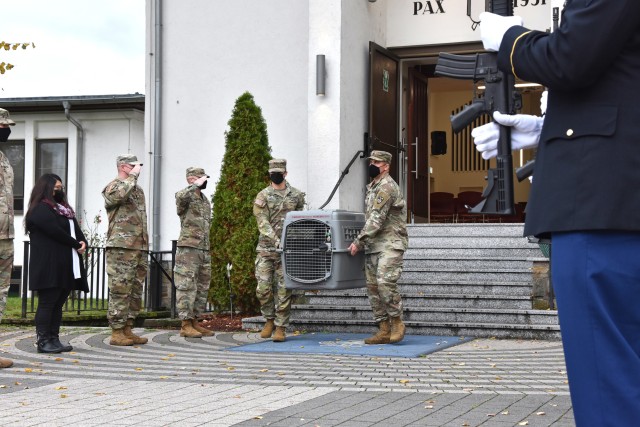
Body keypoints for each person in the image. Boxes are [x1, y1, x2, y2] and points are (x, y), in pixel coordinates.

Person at [472, 5, 640, 425]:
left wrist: (511, 38)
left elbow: (572, 59)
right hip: (616, 195)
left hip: (600, 204)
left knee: (607, 383)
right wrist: (549, 128)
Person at [348, 150, 408, 344]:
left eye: (376, 162)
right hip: (374, 245)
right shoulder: (373, 186)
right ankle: (383, 328)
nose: (372, 164)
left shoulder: (387, 187)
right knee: (373, 289)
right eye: (371, 161)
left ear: (386, 166)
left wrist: (358, 241)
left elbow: (376, 219)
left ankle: (397, 322)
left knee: (385, 283)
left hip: (390, 243)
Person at [24, 174, 88, 353]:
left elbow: (74, 230)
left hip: (65, 264)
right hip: (48, 265)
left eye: (60, 187)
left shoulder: (64, 209)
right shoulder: (40, 209)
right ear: (45, 188)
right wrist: (76, 244)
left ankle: (54, 339)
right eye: (55, 188)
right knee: (48, 302)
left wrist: (83, 242)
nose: (58, 191)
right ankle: (43, 341)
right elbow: (55, 231)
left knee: (58, 302)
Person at [253, 159, 305, 342]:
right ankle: (269, 319)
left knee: (284, 290)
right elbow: (262, 223)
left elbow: (300, 220)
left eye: (278, 172)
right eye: (272, 172)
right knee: (263, 289)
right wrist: (276, 240)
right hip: (267, 250)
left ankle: (281, 327)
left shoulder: (296, 195)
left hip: (288, 251)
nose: (275, 175)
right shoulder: (263, 196)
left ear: (285, 173)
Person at [102, 154, 149, 346]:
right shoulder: (113, 186)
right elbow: (118, 197)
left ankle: (128, 327)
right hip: (121, 247)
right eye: (133, 165)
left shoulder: (137, 190)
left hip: (138, 246)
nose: (137, 168)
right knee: (120, 290)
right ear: (123, 166)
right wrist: (132, 177)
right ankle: (116, 331)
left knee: (135, 290)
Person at [174, 167, 214, 338]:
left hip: (204, 248)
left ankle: (195, 321)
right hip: (188, 248)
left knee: (202, 286)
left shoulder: (204, 200)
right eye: (201, 178)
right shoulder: (185, 196)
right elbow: (180, 198)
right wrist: (192, 186)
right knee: (186, 286)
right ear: (191, 179)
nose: (204, 181)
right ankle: (185, 324)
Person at [0, 108, 16, 368]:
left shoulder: (3, 158)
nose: (6, 129)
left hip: (5, 235)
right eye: (3, 125)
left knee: (1, 293)